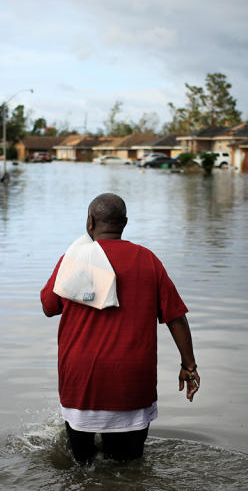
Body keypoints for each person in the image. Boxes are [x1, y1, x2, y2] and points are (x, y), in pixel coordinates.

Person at [41, 193, 199, 464]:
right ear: (124, 223)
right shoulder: (148, 260)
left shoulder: (74, 260)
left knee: (80, 468)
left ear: (89, 222)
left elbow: (49, 306)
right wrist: (189, 365)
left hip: (81, 382)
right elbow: (176, 317)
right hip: (131, 384)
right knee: (128, 468)